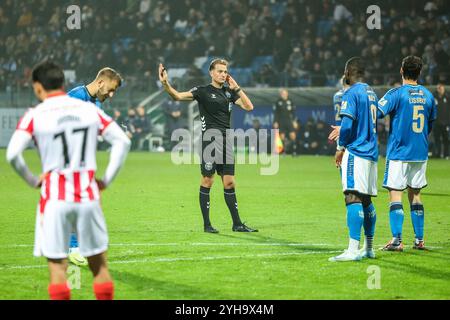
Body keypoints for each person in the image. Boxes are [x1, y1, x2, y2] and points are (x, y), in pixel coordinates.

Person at [6, 61, 130, 300]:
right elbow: (123, 142)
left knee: (57, 270)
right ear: (63, 84)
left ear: (37, 88)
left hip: (54, 197)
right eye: (111, 89)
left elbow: (12, 154)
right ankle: (77, 249)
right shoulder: (88, 109)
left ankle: (73, 251)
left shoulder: (36, 114)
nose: (112, 95)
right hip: (88, 194)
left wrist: (33, 180)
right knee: (100, 268)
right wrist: (105, 181)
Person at [158, 59, 258, 233]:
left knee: (229, 182)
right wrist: (166, 83)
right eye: (219, 71)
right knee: (207, 180)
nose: (223, 74)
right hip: (210, 141)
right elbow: (178, 96)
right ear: (211, 73)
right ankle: (207, 225)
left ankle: (237, 224)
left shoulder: (229, 93)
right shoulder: (202, 91)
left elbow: (249, 106)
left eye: (225, 71)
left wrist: (237, 87)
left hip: (226, 141)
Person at [378, 56, 437, 251]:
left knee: (396, 194)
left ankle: (397, 240)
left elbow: (376, 112)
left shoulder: (396, 94)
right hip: (420, 153)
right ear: (419, 73)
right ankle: (419, 240)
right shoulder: (428, 96)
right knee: (416, 195)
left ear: (401, 70)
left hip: (399, 153)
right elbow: (429, 125)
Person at [66, 67, 123, 267]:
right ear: (100, 82)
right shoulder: (75, 97)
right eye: (110, 89)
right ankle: (73, 248)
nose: (111, 94)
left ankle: (77, 245)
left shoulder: (97, 102)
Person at [329, 57, 378, 262]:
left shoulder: (350, 93)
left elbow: (347, 126)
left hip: (356, 152)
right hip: (371, 153)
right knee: (365, 199)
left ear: (348, 72)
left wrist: (340, 148)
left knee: (352, 196)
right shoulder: (371, 92)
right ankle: (368, 247)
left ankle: (352, 249)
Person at [273, 89, 297, 155]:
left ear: (287, 94)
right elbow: (276, 113)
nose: (284, 94)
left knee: (293, 135)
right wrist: (275, 121)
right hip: (281, 121)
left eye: (285, 93)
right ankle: (284, 152)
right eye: (282, 93)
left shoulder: (290, 101)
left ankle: (294, 151)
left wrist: (294, 121)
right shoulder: (278, 102)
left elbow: (293, 112)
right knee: (282, 136)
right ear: (281, 94)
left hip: (289, 120)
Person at [433, 83, 449, 159]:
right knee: (437, 139)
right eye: (438, 88)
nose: (440, 89)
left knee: (446, 139)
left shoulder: (447, 97)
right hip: (436, 123)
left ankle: (446, 154)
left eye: (441, 88)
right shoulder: (434, 97)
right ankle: (438, 154)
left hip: (446, 123)